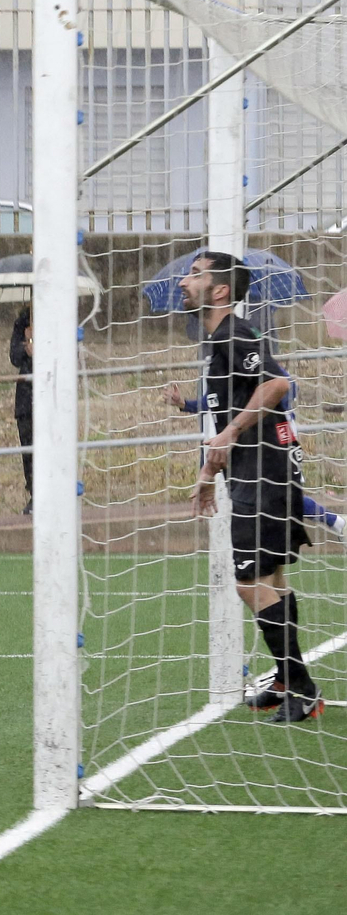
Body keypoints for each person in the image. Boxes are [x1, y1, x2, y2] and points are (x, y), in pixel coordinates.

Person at [184, 251, 322, 724]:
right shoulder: (218, 342)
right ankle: (286, 680)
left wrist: (230, 433)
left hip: (264, 477)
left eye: (195, 276)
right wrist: (208, 474)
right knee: (271, 581)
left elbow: (277, 385)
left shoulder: (234, 333)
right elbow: (226, 421)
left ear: (220, 291)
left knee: (248, 585)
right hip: (262, 474)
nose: (185, 282)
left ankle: (303, 688)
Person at [166, 366, 345, 540]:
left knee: (284, 496)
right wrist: (184, 404)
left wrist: (258, 406)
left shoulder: (258, 360)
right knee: (263, 497)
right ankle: (335, 524)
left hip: (278, 433)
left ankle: (336, 523)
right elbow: (212, 401)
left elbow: (288, 388)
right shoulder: (225, 369)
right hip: (250, 440)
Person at [11, 307, 34, 516]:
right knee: (28, 447)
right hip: (26, 398)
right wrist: (24, 347)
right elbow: (14, 357)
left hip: (50, 395)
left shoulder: (59, 318)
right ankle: (34, 492)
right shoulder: (21, 323)